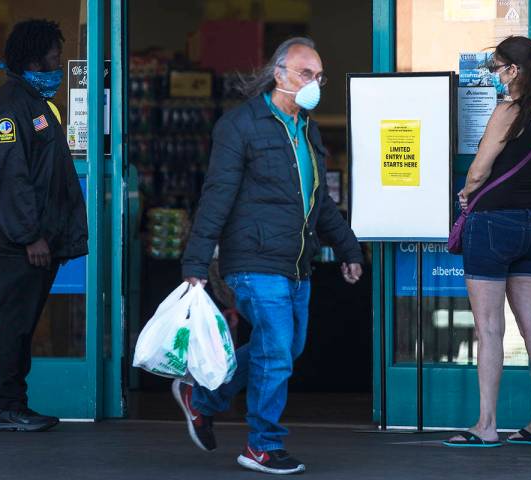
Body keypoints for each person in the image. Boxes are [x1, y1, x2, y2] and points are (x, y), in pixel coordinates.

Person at [175, 37, 363, 474]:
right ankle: (262, 445)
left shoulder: (308, 130)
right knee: (276, 350)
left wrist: (349, 249)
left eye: (319, 76)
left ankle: (200, 397)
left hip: (297, 262)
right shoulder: (240, 125)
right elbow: (217, 196)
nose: (315, 82)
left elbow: (321, 202)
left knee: (283, 348)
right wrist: (196, 263)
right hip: (253, 261)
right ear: (279, 74)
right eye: (306, 73)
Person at [0, 19, 88, 432]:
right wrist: (30, 235)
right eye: (55, 55)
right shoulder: (9, 106)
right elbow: (10, 177)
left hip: (37, 240)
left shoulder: (36, 103)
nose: (60, 61)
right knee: (11, 326)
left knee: (21, 327)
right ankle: (4, 406)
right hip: (18, 242)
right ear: (34, 57)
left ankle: (14, 403)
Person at [444, 36, 531, 448]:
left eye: (495, 67)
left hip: (493, 223)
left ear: (513, 71)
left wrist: (465, 192)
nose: (492, 75)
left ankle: (486, 425)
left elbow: (479, 170)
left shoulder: (506, 112)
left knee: (489, 328)